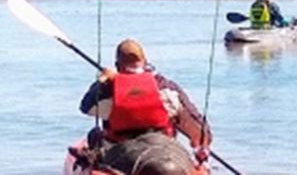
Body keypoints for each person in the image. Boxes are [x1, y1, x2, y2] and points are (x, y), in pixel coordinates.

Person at [74, 39, 212, 175]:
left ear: (117, 65)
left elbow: (86, 107)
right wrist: (199, 145)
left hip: (123, 157)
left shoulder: (110, 90)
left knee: (94, 135)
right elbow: (201, 135)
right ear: (145, 63)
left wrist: (103, 81)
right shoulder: (167, 89)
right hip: (166, 151)